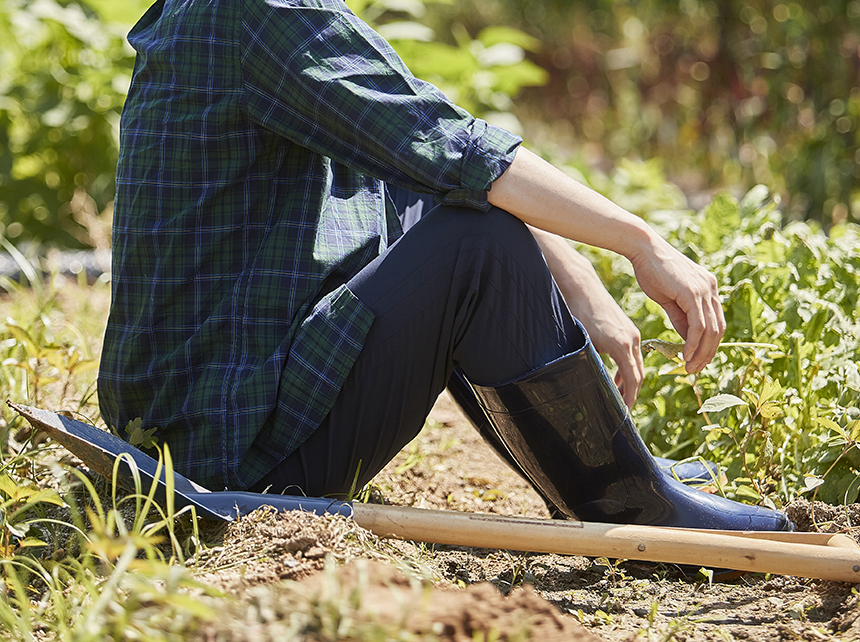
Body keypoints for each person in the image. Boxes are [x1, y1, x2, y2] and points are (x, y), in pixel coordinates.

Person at [98, 0, 791, 531]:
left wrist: (579, 283)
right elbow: (450, 147)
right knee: (476, 251)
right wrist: (642, 242)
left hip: (203, 430)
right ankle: (632, 506)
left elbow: (414, 158)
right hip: (224, 463)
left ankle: (614, 476)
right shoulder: (260, 13)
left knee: (451, 223)